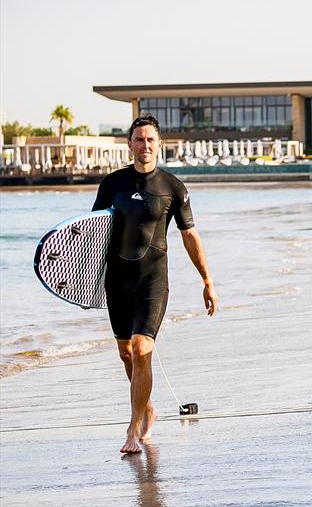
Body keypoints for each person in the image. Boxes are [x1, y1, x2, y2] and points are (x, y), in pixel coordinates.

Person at [92, 114, 218, 453]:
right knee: (126, 354)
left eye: (150, 140)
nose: (145, 145)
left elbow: (190, 236)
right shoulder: (112, 184)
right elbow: (93, 233)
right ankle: (146, 407)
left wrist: (207, 280)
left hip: (153, 281)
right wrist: (82, 281)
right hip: (117, 282)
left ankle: (133, 427)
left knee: (142, 347)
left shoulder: (173, 187)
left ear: (159, 144)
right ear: (130, 144)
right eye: (139, 139)